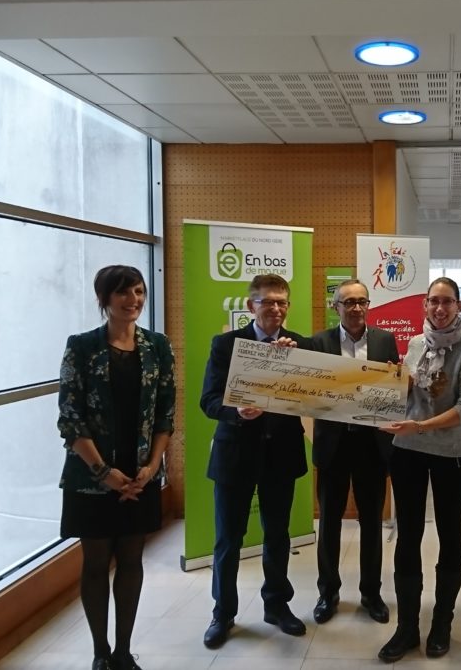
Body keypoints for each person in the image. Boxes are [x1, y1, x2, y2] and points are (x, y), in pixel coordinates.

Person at [57, 265, 175, 670]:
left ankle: (123, 652)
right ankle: (100, 652)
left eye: (139, 291)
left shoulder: (158, 346)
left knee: (131, 561)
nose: (134, 300)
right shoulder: (82, 346)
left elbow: (165, 413)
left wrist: (153, 463)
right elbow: (69, 420)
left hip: (140, 475)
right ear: (104, 299)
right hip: (91, 478)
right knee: (94, 564)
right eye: (123, 293)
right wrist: (104, 472)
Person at [376, 277, 461, 662]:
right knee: (407, 534)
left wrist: (420, 426)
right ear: (424, 305)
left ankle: (442, 621)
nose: (440, 309)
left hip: (452, 455)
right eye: (433, 302)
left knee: (450, 532)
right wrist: (397, 382)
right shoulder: (417, 344)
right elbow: (413, 395)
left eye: (447, 302)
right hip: (407, 450)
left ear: (459, 306)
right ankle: (407, 627)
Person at [199, 274, 310, 649]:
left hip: (281, 453)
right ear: (251, 306)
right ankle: (223, 612)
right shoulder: (227, 345)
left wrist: (296, 364)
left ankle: (277, 605)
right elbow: (209, 400)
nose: (276, 309)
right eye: (267, 302)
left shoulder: (299, 347)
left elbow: (315, 398)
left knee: (277, 536)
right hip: (236, 455)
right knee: (228, 539)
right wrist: (236, 412)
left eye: (282, 302)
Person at [310, 279, 400, 625]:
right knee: (329, 524)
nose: (356, 308)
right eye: (349, 302)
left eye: (362, 301)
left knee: (371, 524)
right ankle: (327, 593)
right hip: (333, 445)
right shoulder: (319, 342)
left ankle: (371, 593)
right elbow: (312, 390)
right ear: (337, 307)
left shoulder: (384, 340)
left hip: (371, 447)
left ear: (368, 305)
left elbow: (391, 392)